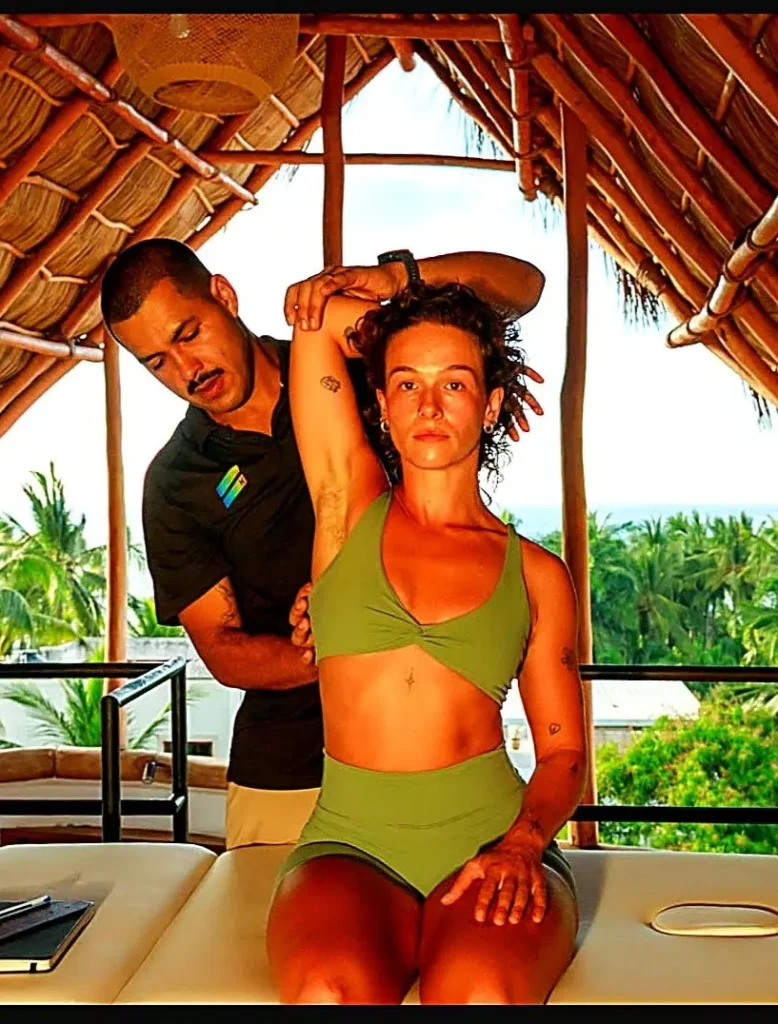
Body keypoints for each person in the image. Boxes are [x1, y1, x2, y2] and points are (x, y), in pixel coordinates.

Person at [99, 239, 547, 851]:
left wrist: (394, 280)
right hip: (285, 774)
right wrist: (338, 637)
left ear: (225, 297)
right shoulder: (176, 482)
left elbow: (522, 285)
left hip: (429, 750)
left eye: (188, 333)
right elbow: (225, 654)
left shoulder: (348, 359)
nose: (186, 368)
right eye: (156, 362)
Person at [266, 270, 587, 1006]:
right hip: (351, 841)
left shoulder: (536, 574)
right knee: (324, 991)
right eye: (407, 384)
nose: (430, 405)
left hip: (490, 838)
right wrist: (398, 288)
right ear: (379, 404)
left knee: (477, 994)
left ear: (491, 403)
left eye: (455, 382)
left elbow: (564, 753)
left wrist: (523, 844)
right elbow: (314, 324)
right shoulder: (346, 508)